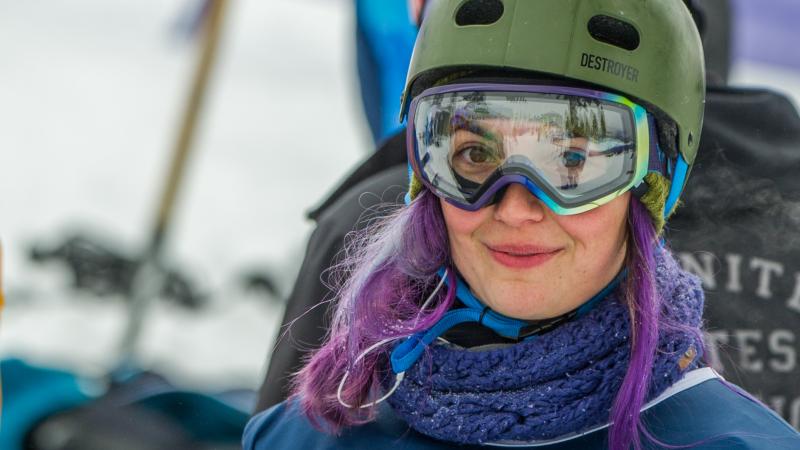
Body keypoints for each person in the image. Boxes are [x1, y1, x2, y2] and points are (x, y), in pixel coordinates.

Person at [245, 0, 800, 448]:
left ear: (653, 180)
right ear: (423, 170)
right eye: (472, 156)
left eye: (574, 161)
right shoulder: (306, 433)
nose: (514, 207)